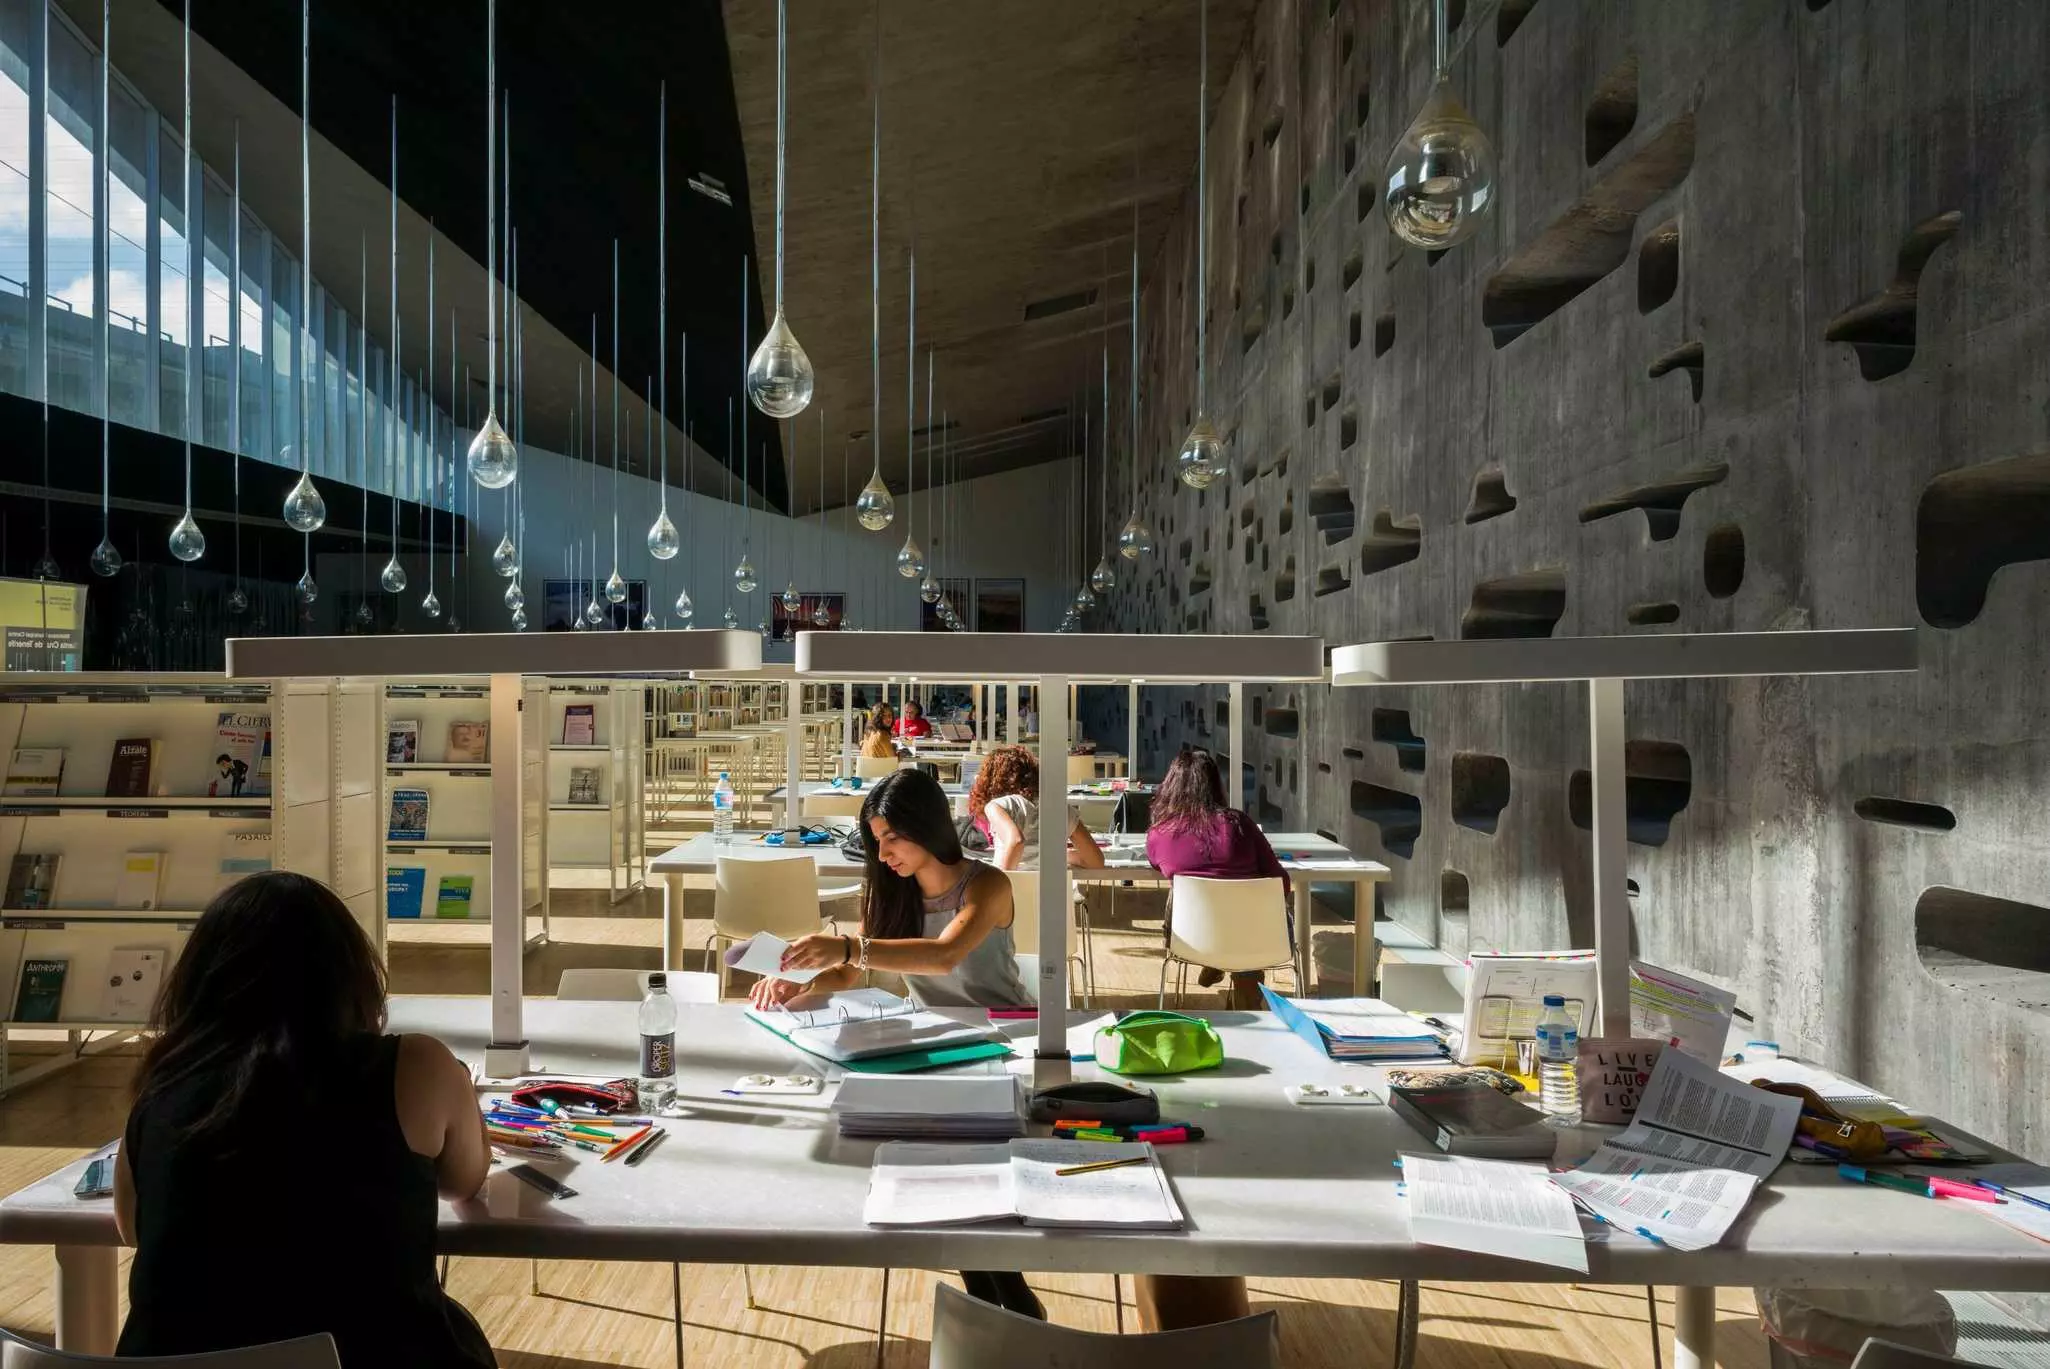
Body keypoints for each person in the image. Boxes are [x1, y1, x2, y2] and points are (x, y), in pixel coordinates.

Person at [114, 872, 493, 1368]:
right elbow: (465, 1181)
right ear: (350, 973)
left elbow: (132, 1227)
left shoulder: (165, 1084)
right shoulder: (416, 1065)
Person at [757, 769, 1039, 1317]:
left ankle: (1006, 1304)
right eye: (876, 841)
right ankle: (1002, 1305)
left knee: (959, 1166)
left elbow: (942, 956)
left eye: (892, 838)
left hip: (1005, 1040)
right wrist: (802, 983)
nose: (883, 853)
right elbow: (854, 973)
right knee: (940, 1168)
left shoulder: (985, 884)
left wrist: (845, 947)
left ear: (927, 827)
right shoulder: (893, 890)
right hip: (937, 1045)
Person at [1146, 746, 1291, 1010]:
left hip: (1190, 939)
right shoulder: (1240, 824)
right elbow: (1281, 882)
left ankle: (1214, 960)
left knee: (1183, 892)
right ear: (1215, 784)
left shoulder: (1159, 834)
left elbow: (1158, 865)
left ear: (1170, 785)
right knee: (1247, 913)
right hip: (1256, 938)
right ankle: (1246, 995)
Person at [965, 744, 1105, 875]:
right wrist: (1063, 857)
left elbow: (1016, 841)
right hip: (1052, 897)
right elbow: (1097, 862)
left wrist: (1001, 884)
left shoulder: (997, 806)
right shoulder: (1059, 808)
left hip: (1014, 894)